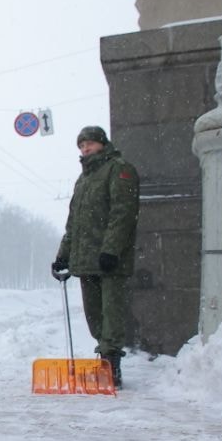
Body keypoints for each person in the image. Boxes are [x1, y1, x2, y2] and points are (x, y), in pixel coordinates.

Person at [52, 125, 140, 388]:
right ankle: (103, 363)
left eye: (89, 143)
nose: (85, 149)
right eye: (81, 146)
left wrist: (111, 250)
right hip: (86, 261)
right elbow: (74, 224)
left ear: (102, 143)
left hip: (109, 261)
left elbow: (123, 214)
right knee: (95, 316)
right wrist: (63, 256)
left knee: (111, 314)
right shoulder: (84, 179)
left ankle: (112, 368)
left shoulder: (119, 169)